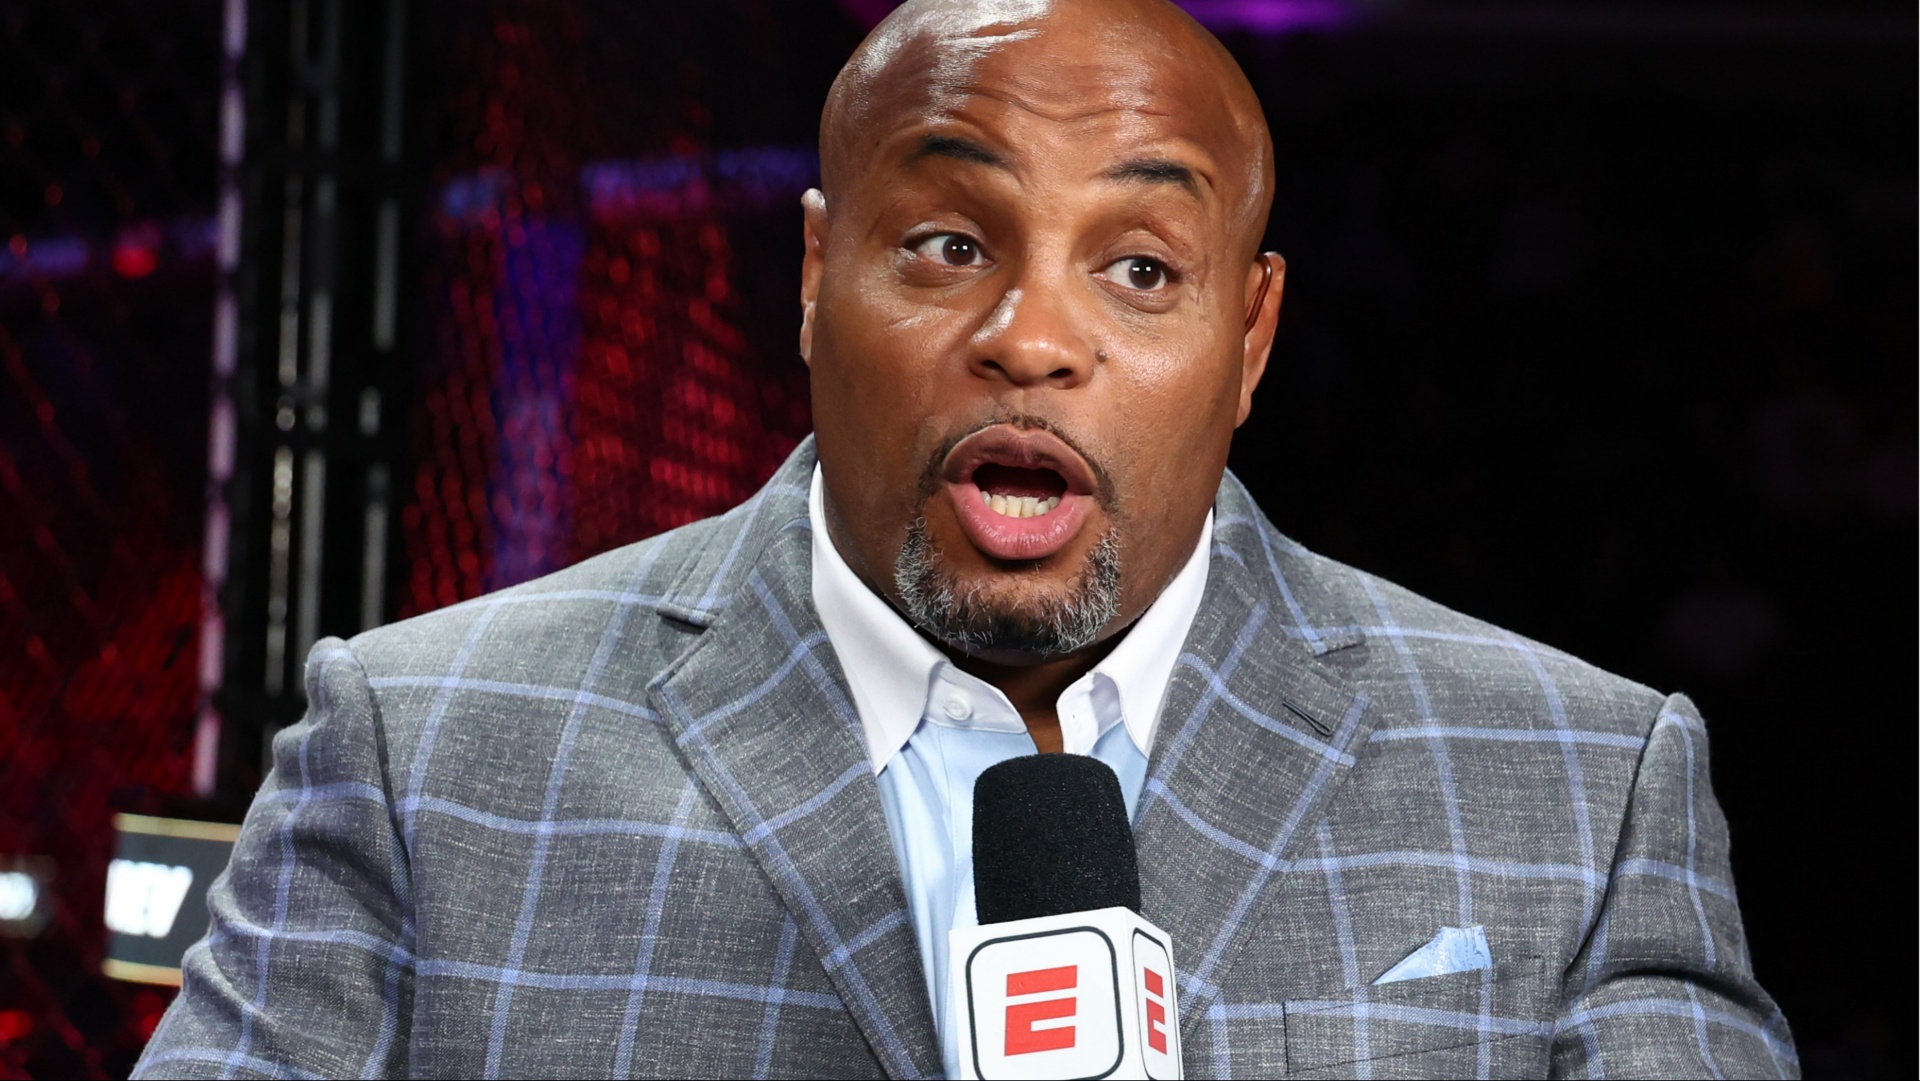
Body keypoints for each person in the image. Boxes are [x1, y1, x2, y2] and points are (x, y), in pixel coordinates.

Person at [135, 0, 1796, 1077]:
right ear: (815, 278)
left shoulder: (1579, 786)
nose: (1032, 337)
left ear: (1251, 338)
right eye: (946, 243)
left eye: (1138, 268)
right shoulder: (423, 752)